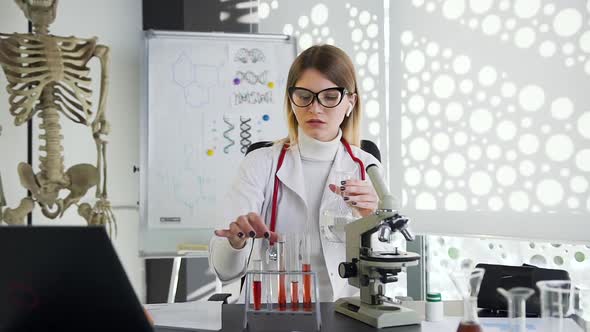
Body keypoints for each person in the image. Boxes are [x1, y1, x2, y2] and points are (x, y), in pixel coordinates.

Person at [209, 44, 382, 302]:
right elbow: (224, 270)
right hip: (272, 313)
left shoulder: (367, 168)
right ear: (291, 100)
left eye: (330, 96)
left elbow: (388, 269)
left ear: (350, 102)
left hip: (347, 313)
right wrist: (236, 242)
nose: (315, 108)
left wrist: (373, 222)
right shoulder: (260, 163)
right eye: (304, 96)